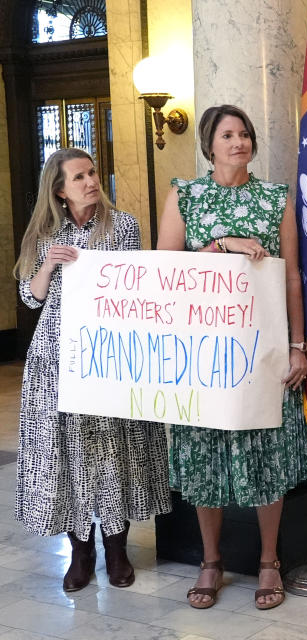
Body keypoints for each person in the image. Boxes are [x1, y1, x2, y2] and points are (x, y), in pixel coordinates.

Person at [157, 105, 307, 610]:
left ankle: (269, 561)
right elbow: (167, 272)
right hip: (202, 355)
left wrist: (298, 345)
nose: (239, 142)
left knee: (266, 452)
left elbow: (291, 275)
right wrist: (223, 244)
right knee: (204, 456)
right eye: (228, 134)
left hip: (263, 351)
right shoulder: (186, 194)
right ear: (209, 144)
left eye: (245, 133)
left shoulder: (275, 198)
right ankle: (210, 560)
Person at [14, 147, 171, 593]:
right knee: (70, 455)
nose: (90, 181)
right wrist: (48, 265)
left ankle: (117, 547)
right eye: (79, 177)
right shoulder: (44, 233)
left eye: (93, 172)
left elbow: (137, 287)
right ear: (60, 190)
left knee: (111, 452)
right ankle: (80, 553)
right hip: (55, 362)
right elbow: (31, 298)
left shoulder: (123, 225)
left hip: (108, 356)